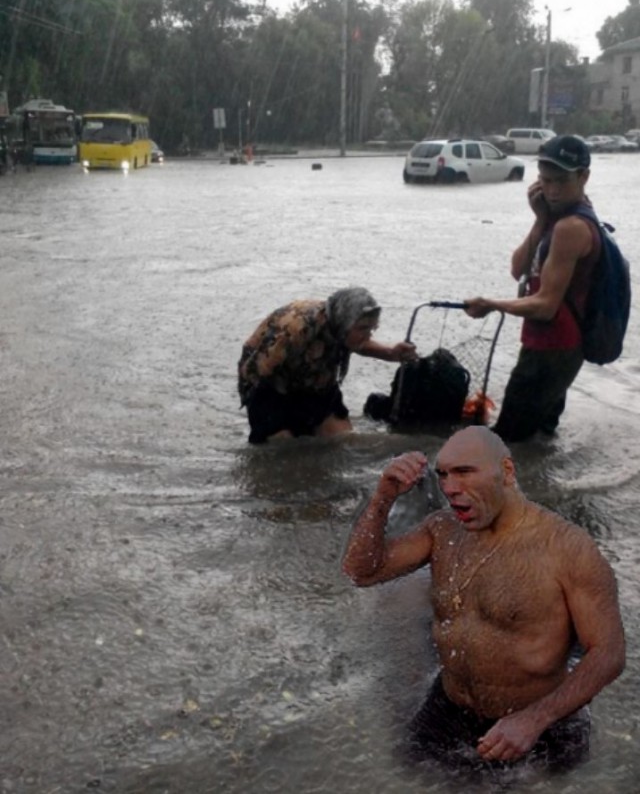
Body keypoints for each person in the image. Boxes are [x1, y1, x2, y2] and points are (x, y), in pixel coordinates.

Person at [342, 426, 625, 770]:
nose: (449, 488)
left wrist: (534, 720)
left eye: (464, 472)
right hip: (449, 707)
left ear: (506, 471)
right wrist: (383, 497)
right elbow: (361, 572)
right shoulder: (442, 530)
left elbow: (609, 654)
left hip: (538, 723)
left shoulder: (567, 549)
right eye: (443, 475)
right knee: (397, 778)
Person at [464, 135, 601, 441]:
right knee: (539, 435)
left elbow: (545, 305)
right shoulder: (556, 218)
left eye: (561, 181)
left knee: (506, 440)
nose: (551, 191)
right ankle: (545, 486)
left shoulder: (571, 228)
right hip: (556, 345)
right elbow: (518, 270)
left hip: (552, 348)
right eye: (545, 180)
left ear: (583, 177)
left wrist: (490, 303)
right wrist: (539, 220)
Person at [238, 287, 417, 443]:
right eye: (363, 328)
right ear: (344, 324)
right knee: (283, 448)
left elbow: (354, 343)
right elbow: (255, 373)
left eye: (371, 329)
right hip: (271, 386)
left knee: (342, 440)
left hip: (317, 381)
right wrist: (268, 420)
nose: (368, 335)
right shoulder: (296, 328)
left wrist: (390, 352)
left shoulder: (340, 327)